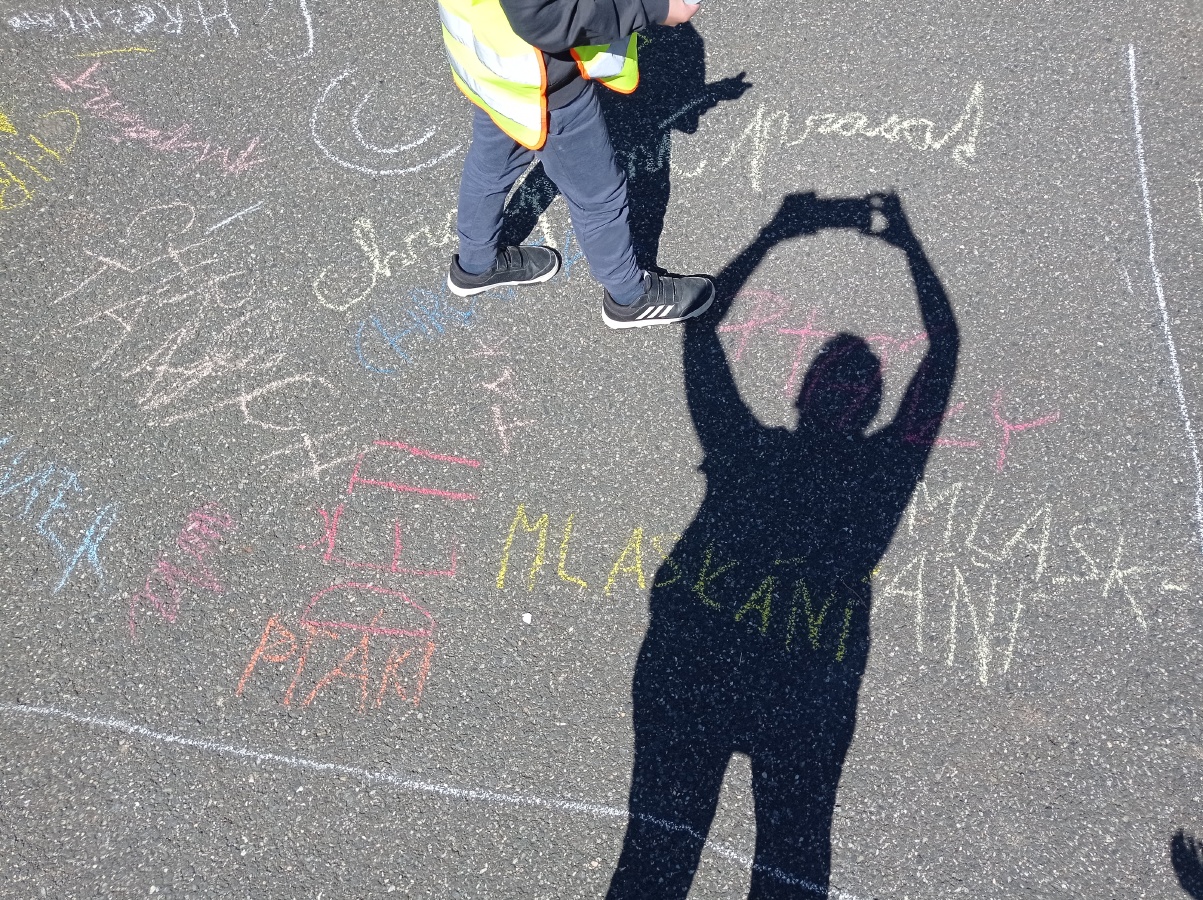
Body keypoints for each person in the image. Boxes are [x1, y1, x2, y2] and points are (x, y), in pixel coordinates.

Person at [608, 193, 960, 898]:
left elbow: (700, 330)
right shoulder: (880, 474)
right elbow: (942, 351)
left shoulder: (749, 451)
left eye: (844, 375)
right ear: (870, 408)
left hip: (698, 664)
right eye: (853, 377)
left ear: (800, 392)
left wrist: (774, 234)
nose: (845, 384)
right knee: (785, 865)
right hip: (801, 686)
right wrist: (909, 249)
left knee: (660, 856)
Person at [437, 0, 716, 328]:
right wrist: (652, 8)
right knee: (598, 195)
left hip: (491, 62)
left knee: (493, 164)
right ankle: (629, 297)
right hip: (546, 83)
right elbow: (544, 17)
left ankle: (475, 264)